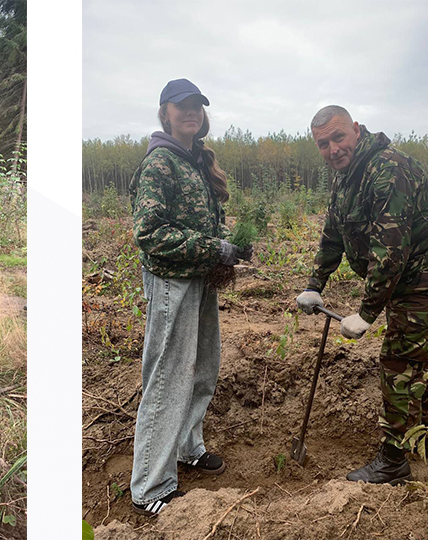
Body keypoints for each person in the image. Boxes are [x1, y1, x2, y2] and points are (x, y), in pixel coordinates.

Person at [296, 105, 428, 485]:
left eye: (339, 137)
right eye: (324, 144)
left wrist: (367, 313)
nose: (333, 149)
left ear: (356, 129)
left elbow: (392, 250)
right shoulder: (345, 177)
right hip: (405, 277)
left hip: (423, 277)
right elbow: (332, 236)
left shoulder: (387, 168)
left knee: (399, 360)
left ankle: (393, 459)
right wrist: (313, 284)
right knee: (424, 352)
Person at [127, 79, 252, 516]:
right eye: (182, 106)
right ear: (165, 113)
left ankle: (187, 447)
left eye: (197, 106)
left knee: (202, 368)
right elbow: (149, 234)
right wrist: (212, 249)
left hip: (199, 280)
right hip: (172, 283)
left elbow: (201, 225)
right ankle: (150, 486)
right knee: (168, 378)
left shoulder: (196, 160)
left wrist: (230, 244)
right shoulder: (160, 163)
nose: (190, 112)